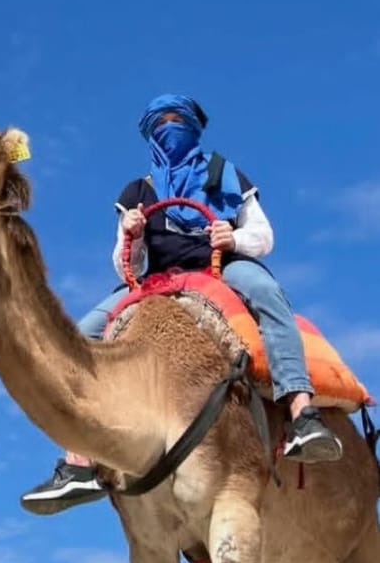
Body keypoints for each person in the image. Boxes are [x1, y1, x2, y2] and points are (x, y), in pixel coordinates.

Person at [19, 93, 342, 516]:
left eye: (177, 120)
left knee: (267, 293)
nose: (169, 129)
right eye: (160, 123)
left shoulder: (225, 175)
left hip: (222, 268)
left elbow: (263, 236)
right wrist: (131, 235)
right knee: (77, 338)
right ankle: (78, 462)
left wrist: (233, 238)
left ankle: (302, 413)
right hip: (157, 279)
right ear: (149, 134)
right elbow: (125, 265)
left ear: (194, 126)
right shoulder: (137, 191)